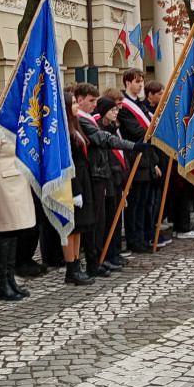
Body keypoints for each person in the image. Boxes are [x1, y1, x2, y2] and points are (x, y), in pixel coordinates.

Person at [75, 83, 140, 275]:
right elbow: (102, 138)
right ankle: (94, 262)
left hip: (100, 173)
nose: (94, 105)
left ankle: (101, 258)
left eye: (95, 100)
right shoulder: (82, 119)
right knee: (96, 222)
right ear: (79, 101)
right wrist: (131, 145)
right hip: (95, 174)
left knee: (102, 221)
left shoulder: (87, 118)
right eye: (91, 101)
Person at [0, 91, 34, 302]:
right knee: (5, 236)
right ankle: (1, 285)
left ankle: (11, 280)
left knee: (15, 235)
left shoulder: (14, 126)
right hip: (4, 186)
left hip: (18, 183)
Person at [118, 69, 158, 254]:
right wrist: (155, 132)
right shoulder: (124, 106)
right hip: (134, 158)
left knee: (144, 202)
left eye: (142, 81)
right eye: (137, 81)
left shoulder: (141, 105)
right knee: (134, 204)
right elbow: (135, 131)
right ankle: (134, 240)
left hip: (147, 158)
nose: (140, 85)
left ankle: (142, 238)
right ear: (127, 82)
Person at [64, 93, 94, 286]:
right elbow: (67, 162)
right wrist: (74, 189)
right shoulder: (63, 130)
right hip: (72, 179)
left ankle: (76, 263)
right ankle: (71, 269)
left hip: (83, 175)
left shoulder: (75, 125)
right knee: (69, 227)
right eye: (73, 103)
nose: (77, 105)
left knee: (79, 226)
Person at [96, 96, 130, 264]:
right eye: (112, 110)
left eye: (116, 109)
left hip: (118, 176)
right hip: (108, 178)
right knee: (109, 219)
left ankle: (116, 252)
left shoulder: (114, 128)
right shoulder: (100, 129)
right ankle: (107, 254)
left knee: (118, 218)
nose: (116, 112)